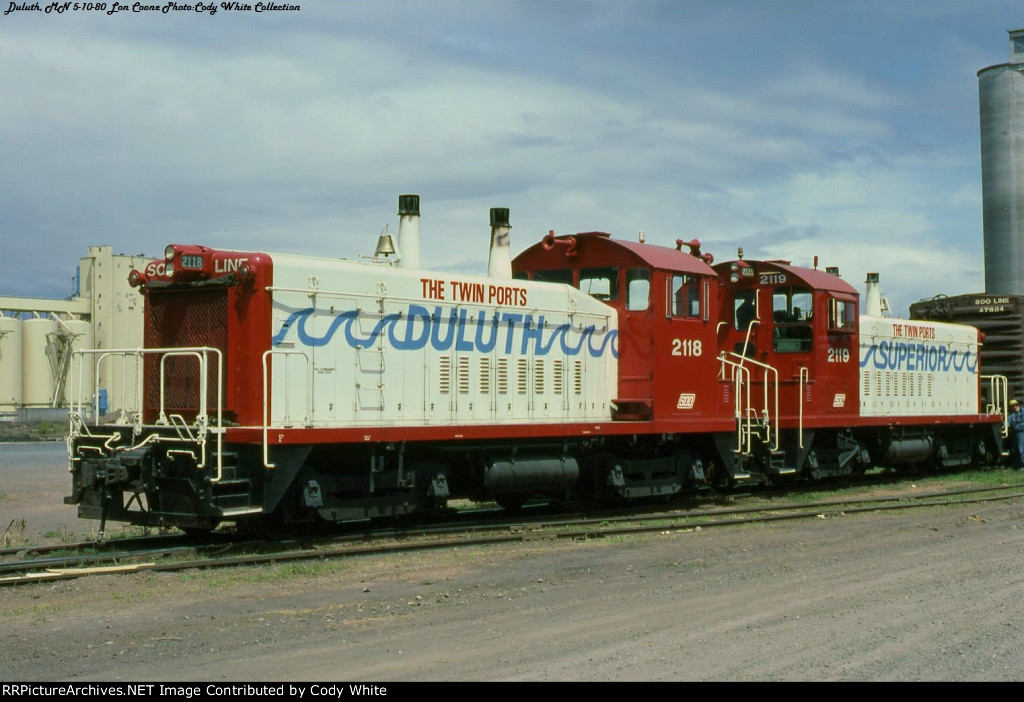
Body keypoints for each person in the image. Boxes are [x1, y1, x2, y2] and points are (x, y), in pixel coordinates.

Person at [1007, 399, 1024, 468]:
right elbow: (1008, 422)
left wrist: (1015, 426)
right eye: (1013, 406)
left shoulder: (1023, 412)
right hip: (1015, 434)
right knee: (1015, 449)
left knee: (1021, 449)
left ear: (1018, 405)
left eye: (1016, 405)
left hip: (1022, 433)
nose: (1015, 407)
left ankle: (1023, 464)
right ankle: (1017, 464)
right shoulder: (1011, 416)